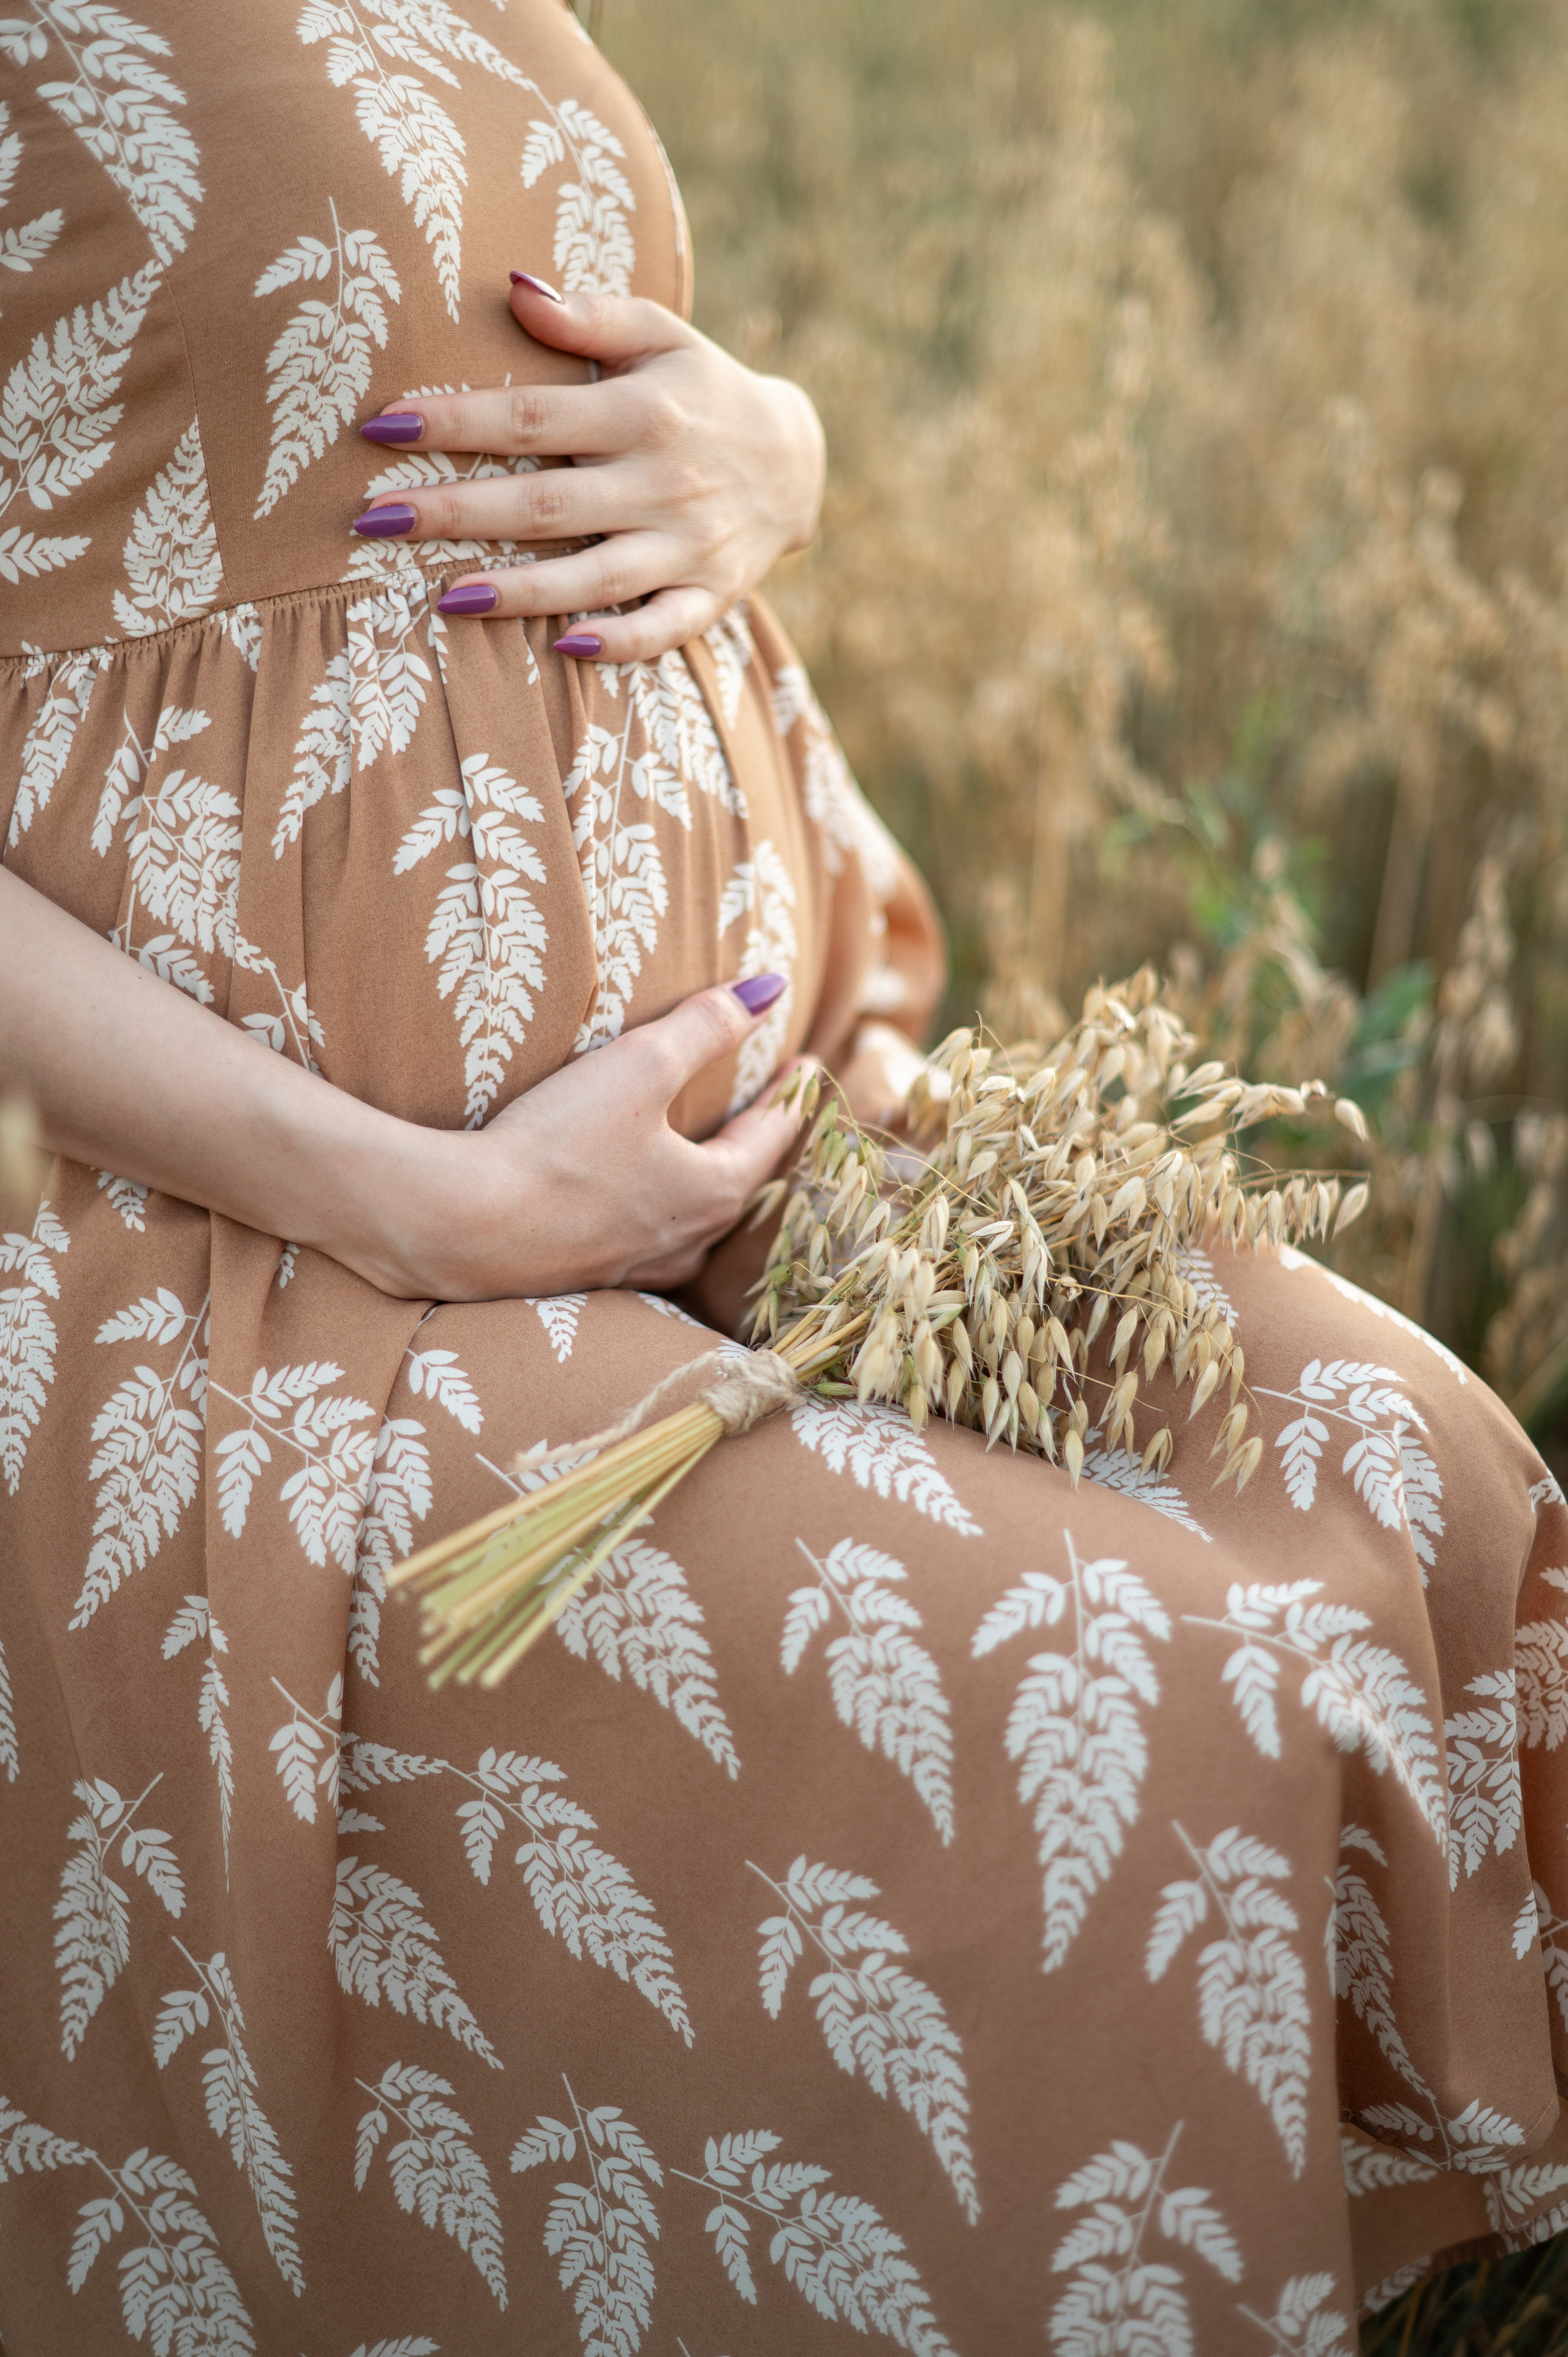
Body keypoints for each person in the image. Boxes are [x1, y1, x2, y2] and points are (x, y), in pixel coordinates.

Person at [2, 6, 1566, 2350]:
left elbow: (483, 370)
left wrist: (777, 445)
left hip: (772, 1143)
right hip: (300, 1262)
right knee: (1149, 1699)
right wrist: (427, 1207)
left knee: (1408, 1475)